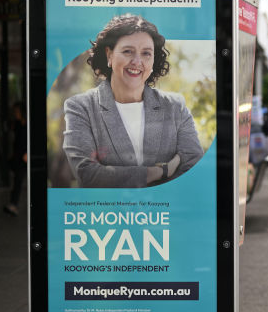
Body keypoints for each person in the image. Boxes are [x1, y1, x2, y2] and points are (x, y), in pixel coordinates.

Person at [62, 15, 203, 188]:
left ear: (153, 61)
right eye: (128, 51)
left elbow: (193, 168)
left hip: (164, 212)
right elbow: (87, 174)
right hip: (106, 213)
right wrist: (159, 172)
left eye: (146, 53)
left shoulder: (175, 106)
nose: (137, 61)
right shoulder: (80, 107)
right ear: (109, 54)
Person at [4, 102, 27, 216]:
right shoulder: (17, 124)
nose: (15, 114)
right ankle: (13, 204)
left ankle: (14, 204)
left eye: (17, 111)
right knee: (17, 180)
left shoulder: (28, 125)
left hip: (26, 157)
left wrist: (28, 153)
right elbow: (15, 141)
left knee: (20, 180)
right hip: (18, 157)